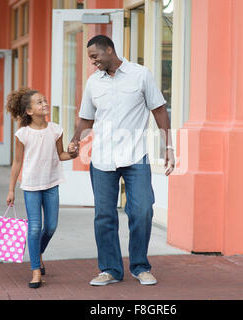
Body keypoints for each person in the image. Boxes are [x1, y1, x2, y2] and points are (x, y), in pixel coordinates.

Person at [67, 35, 175, 286]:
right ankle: (110, 269)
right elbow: (86, 118)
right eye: (90, 58)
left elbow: (158, 109)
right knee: (104, 215)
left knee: (142, 210)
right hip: (102, 158)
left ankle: (140, 266)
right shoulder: (93, 83)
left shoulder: (140, 74)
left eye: (95, 56)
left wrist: (168, 146)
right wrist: (75, 140)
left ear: (109, 50)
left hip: (135, 155)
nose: (92, 62)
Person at [5, 87, 76, 288]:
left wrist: (73, 155)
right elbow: (17, 162)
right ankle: (36, 270)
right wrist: (11, 189)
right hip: (31, 186)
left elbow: (60, 155)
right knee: (34, 227)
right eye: (39, 102)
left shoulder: (56, 130)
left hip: (52, 183)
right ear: (29, 111)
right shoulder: (23, 134)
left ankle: (38, 252)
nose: (44, 104)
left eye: (44, 100)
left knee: (51, 226)